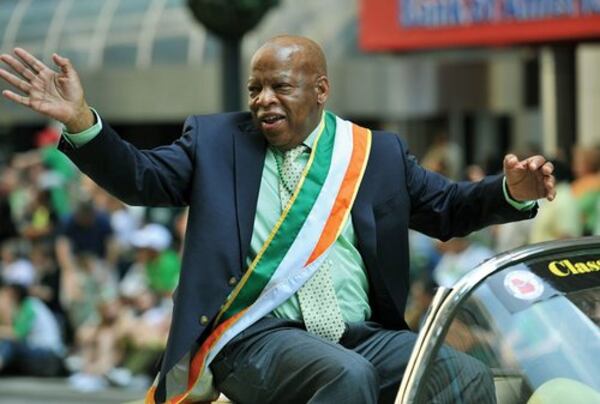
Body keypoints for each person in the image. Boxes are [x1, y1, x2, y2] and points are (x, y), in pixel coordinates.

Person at [0, 36, 555, 404]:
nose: (264, 99)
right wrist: (81, 121)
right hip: (254, 337)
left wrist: (510, 191)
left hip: (361, 335)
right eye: (255, 88)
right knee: (346, 377)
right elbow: (139, 178)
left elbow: (449, 209)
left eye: (280, 87)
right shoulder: (214, 141)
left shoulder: (374, 153)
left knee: (464, 375)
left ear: (321, 90)